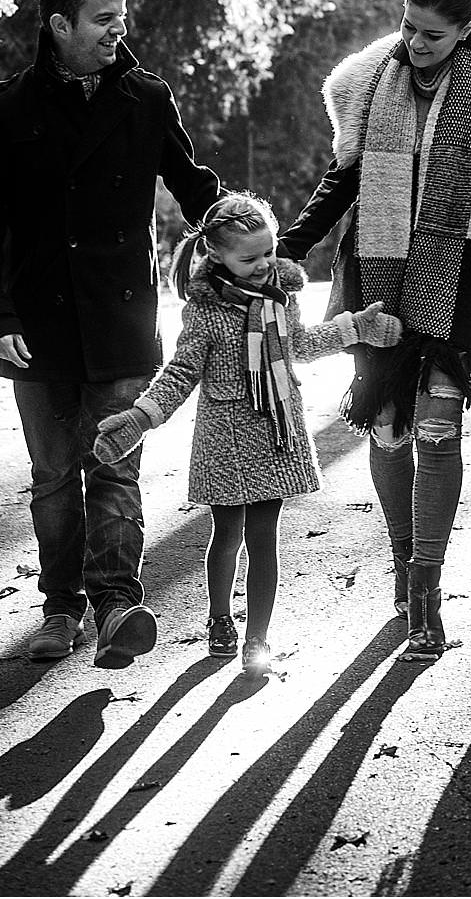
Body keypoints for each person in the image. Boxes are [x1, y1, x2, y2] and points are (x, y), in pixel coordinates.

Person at [0, 0, 222, 667]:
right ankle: (60, 605)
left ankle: (115, 606)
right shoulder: (5, 109)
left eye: (121, 17)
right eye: (104, 18)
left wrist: (252, 241)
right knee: (52, 479)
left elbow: (195, 190)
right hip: (35, 329)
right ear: (61, 24)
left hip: (120, 320)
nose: (118, 30)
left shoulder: (145, 97)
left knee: (113, 469)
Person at [276, 0, 471, 660]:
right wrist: (291, 246)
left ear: (465, 29)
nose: (415, 43)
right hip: (376, 272)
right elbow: (342, 180)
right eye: (408, 27)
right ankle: (401, 563)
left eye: (431, 34)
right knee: (388, 428)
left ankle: (426, 590)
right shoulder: (371, 79)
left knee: (437, 430)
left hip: (456, 274)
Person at [93, 193, 403, 676]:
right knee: (227, 533)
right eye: (249, 258)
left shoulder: (282, 294)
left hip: (277, 431)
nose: (263, 265)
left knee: (264, 538)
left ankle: (258, 638)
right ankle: (220, 618)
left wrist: (353, 328)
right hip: (226, 438)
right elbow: (181, 372)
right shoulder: (205, 311)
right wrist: (141, 415)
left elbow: (300, 344)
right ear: (216, 255)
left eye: (268, 252)